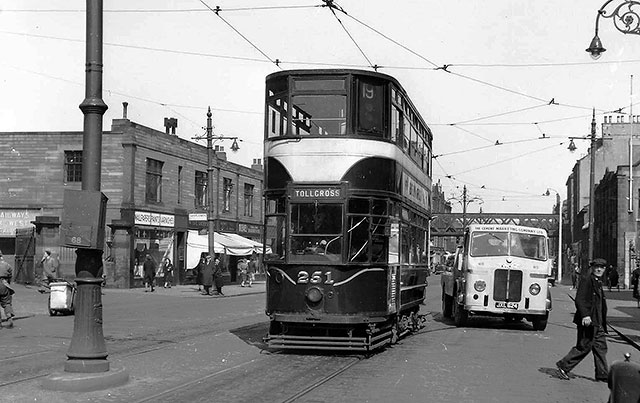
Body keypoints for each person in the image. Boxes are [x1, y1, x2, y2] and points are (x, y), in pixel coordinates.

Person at [556, 258, 609, 382]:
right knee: (584, 346)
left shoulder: (598, 282)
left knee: (600, 347)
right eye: (597, 267)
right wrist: (585, 315)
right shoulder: (587, 280)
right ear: (592, 268)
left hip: (598, 322)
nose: (599, 269)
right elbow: (580, 299)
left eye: (602, 267)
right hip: (589, 321)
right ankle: (564, 367)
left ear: (605, 269)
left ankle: (602, 374)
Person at [0, 251, 15, 329]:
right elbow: (10, 274)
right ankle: (9, 317)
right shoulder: (6, 265)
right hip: (4, 283)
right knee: (6, 302)